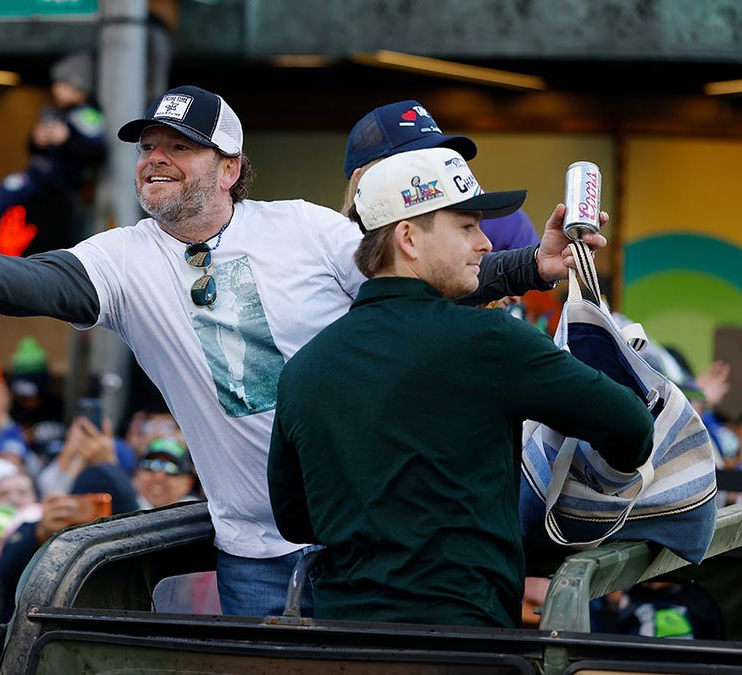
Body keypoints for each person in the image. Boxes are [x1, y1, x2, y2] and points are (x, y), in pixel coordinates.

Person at [0, 85, 606, 617]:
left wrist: (528, 269)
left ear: (232, 167)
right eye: (149, 147)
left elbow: (418, 271)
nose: (157, 158)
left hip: (361, 537)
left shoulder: (305, 229)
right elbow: (35, 280)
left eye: (181, 146)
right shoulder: (123, 258)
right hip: (253, 550)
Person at [266, 147, 654, 628]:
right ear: (407, 237)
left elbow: (293, 518)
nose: (486, 243)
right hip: (468, 640)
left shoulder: (305, 367)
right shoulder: (490, 340)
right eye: (467, 226)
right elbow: (633, 426)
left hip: (342, 637)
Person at [0, 51, 107, 256]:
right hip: (42, 184)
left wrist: (66, 139)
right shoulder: (62, 113)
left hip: (58, 189)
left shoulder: (86, 115)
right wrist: (38, 139)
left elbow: (96, 151)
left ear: (79, 86)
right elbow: (34, 148)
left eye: (63, 84)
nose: (56, 89)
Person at [133, 436, 200, 509]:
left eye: (171, 468)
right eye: (150, 465)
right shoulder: (123, 507)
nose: (158, 476)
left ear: (189, 482)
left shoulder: (203, 515)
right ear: (138, 473)